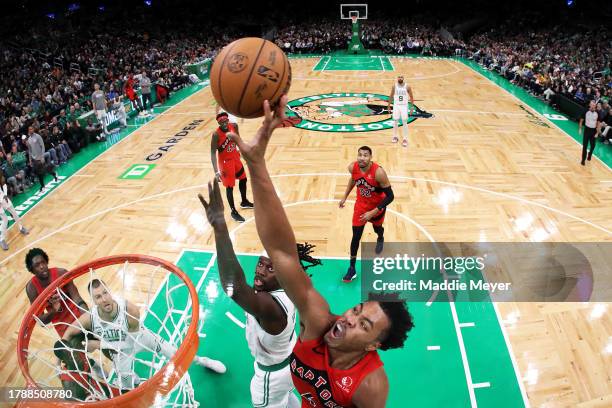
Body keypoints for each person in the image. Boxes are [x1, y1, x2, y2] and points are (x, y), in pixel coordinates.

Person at [227, 96, 414, 407]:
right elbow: (281, 251)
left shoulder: (370, 386)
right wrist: (257, 164)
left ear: (373, 347)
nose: (350, 318)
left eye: (364, 325)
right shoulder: (318, 320)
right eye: (356, 310)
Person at [199, 180, 322, 408]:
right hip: (290, 363)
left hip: (271, 377)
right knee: (287, 399)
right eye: (261, 263)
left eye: (270, 268)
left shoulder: (270, 306)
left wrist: (220, 227)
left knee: (277, 401)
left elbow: (234, 288)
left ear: (283, 273)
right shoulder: (292, 287)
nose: (261, 270)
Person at [58, 279, 226, 392]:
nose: (103, 299)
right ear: (93, 301)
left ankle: (201, 360)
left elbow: (129, 341)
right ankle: (136, 381)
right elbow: (71, 330)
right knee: (126, 386)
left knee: (177, 354)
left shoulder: (129, 310)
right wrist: (62, 348)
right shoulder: (90, 318)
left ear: (110, 292)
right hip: (121, 353)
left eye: (104, 293)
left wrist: (100, 345)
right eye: (97, 297)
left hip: (141, 339)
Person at [339, 146, 394, 282]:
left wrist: (373, 212)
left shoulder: (378, 172)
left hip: (377, 207)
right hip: (361, 207)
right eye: (360, 155)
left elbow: (390, 196)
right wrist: (345, 196)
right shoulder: (353, 167)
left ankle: (380, 237)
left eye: (365, 155)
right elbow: (353, 179)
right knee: (355, 237)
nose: (362, 158)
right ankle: (352, 268)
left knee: (377, 229)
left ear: (370, 158)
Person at [210, 112, 253, 223]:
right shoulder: (216, 135)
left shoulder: (233, 126)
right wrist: (216, 171)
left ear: (228, 120)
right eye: (221, 122)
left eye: (225, 121)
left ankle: (244, 201)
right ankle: (233, 211)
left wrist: (244, 153)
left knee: (243, 179)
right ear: (218, 123)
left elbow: (239, 140)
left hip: (235, 157)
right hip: (225, 163)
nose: (224, 123)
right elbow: (212, 153)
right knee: (230, 187)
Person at [0, 173, 29, 250]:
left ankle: (21, 228)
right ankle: (1, 239)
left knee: (14, 214)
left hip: (3, 198)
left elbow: (4, 184)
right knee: (5, 220)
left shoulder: (0, 175)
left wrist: (5, 194)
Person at [26, 125, 58, 192]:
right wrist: (30, 160)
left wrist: (42, 156)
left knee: (46, 170)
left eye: (31, 129)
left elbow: (42, 146)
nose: (30, 130)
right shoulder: (28, 140)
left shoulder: (38, 136)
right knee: (39, 174)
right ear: (28, 131)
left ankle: (54, 174)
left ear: (33, 129)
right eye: (29, 129)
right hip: (35, 160)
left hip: (40, 157)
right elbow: (30, 151)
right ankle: (43, 186)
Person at [387, 75, 414, 147]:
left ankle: (405, 139)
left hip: (404, 106)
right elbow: (391, 96)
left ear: (403, 78)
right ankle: (395, 136)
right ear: (397, 78)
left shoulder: (407, 86)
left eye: (401, 77)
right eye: (399, 77)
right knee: (395, 121)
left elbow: (411, 97)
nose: (400, 78)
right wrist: (389, 105)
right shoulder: (394, 86)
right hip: (396, 105)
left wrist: (411, 107)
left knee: (405, 122)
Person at [578, 100, 600, 165]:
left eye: (594, 105)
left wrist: (597, 133)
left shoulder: (597, 113)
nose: (593, 106)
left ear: (595, 106)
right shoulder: (585, 111)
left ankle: (590, 153)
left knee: (593, 145)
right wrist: (580, 129)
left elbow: (598, 124)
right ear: (590, 105)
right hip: (587, 130)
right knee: (585, 146)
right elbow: (581, 121)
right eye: (592, 105)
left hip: (593, 131)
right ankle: (583, 160)